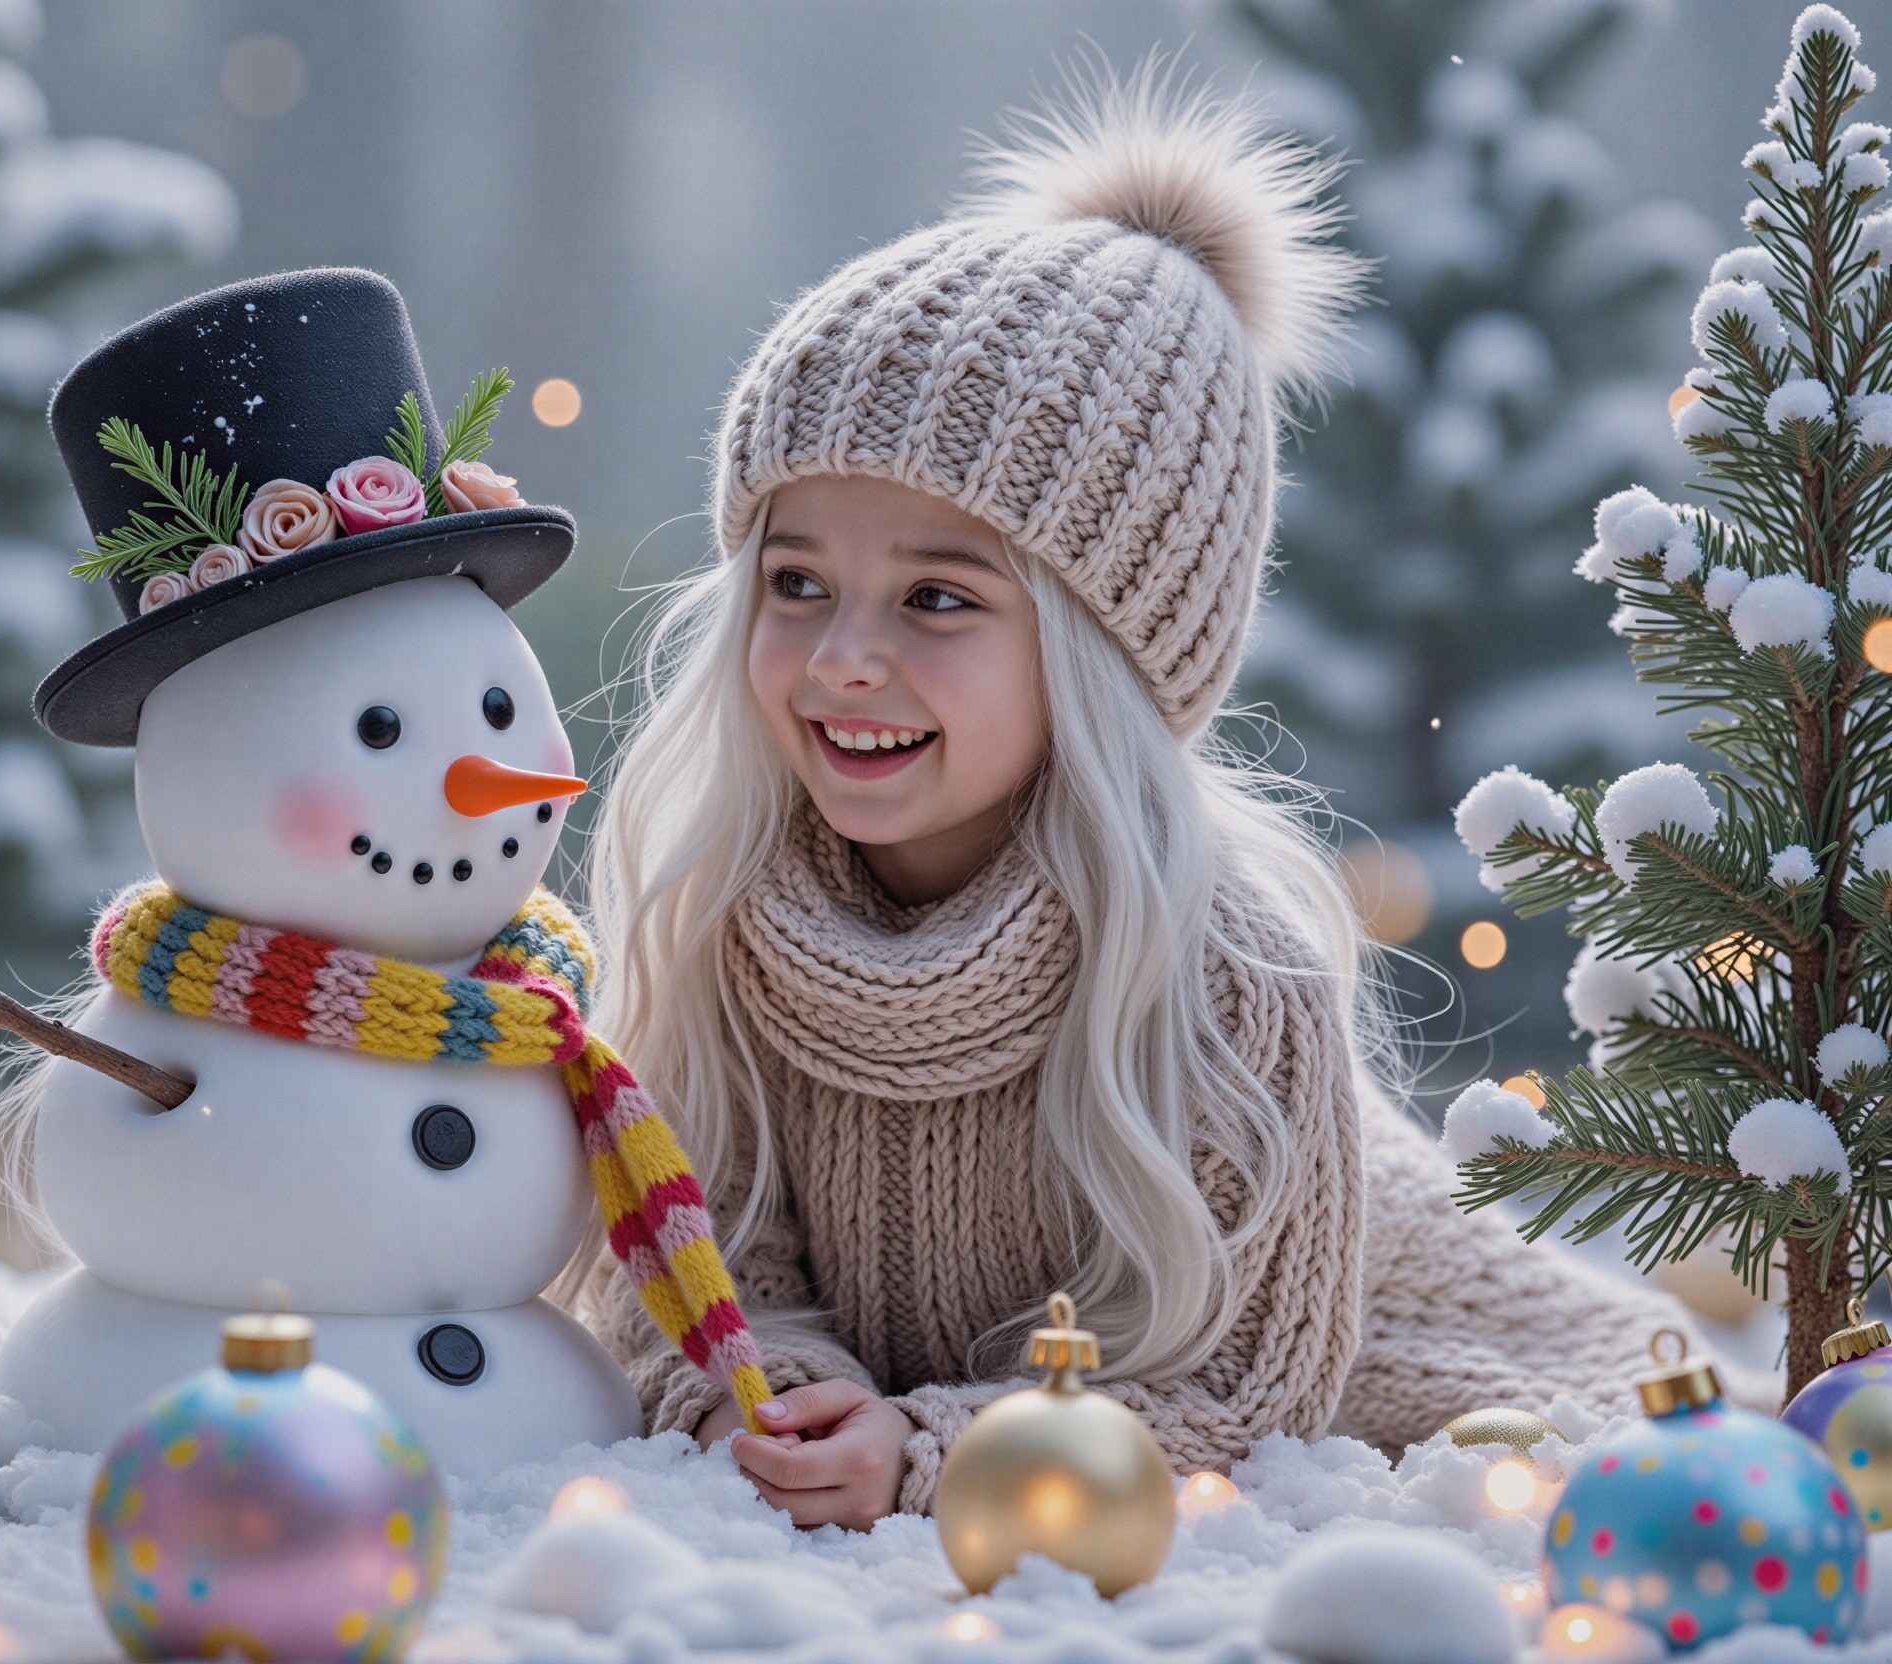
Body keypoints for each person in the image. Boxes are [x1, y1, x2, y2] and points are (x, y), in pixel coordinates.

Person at [577, 63, 1707, 1532]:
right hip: (997, 1421)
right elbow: (699, 1261)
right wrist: (777, 1382)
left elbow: (1240, 1392)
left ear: (1111, 651)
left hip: (1411, 1354)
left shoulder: (1233, 975)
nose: (844, 659)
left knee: (1625, 1451)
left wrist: (928, 1451)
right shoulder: (729, 915)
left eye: (937, 597)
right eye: (798, 584)